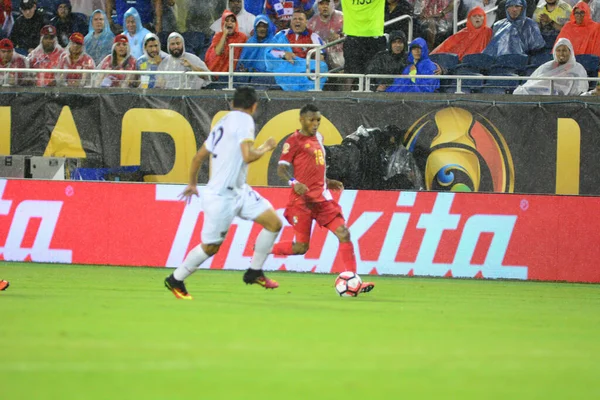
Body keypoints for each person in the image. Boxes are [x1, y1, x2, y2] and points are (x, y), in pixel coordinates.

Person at [165, 86, 282, 300]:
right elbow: (247, 156)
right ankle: (176, 279)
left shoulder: (222, 122)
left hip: (240, 191)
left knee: (274, 223)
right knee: (210, 248)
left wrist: (192, 184)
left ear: (231, 104)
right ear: (254, 106)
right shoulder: (245, 121)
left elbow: (198, 157)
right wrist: (266, 147)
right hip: (221, 197)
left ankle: (254, 271)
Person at [271, 104, 375, 293]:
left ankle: (354, 280)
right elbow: (281, 169)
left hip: (321, 199)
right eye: (312, 120)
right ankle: (265, 248)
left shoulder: (319, 139)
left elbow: (314, 168)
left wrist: (328, 180)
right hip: (301, 200)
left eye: (318, 120)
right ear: (302, 120)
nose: (316, 123)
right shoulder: (293, 141)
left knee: (344, 233)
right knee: (301, 247)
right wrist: (295, 183)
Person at [266, 10, 328, 91]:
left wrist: (303, 64)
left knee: (322, 65)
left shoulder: (314, 36)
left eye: (300, 19)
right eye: (294, 19)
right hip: (286, 71)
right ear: (291, 22)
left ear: (306, 22)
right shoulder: (282, 34)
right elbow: (269, 52)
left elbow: (321, 59)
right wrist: (284, 54)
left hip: (304, 71)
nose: (297, 21)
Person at [514, 38, 588, 95]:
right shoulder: (548, 66)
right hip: (544, 93)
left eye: (564, 50)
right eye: (558, 50)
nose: (561, 53)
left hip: (562, 98)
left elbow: (580, 89)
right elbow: (535, 81)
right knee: (520, 91)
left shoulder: (578, 68)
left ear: (570, 52)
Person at [340, 0, 386, 89]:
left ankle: (347, 99)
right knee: (353, 74)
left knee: (353, 73)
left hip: (360, 36)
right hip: (368, 36)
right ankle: (347, 99)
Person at [307, 0, 344, 70]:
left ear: (333, 4)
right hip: (321, 54)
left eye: (327, 3)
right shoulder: (311, 23)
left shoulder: (342, 18)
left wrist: (340, 37)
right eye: (321, 4)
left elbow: (351, 36)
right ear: (318, 6)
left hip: (339, 52)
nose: (325, 6)